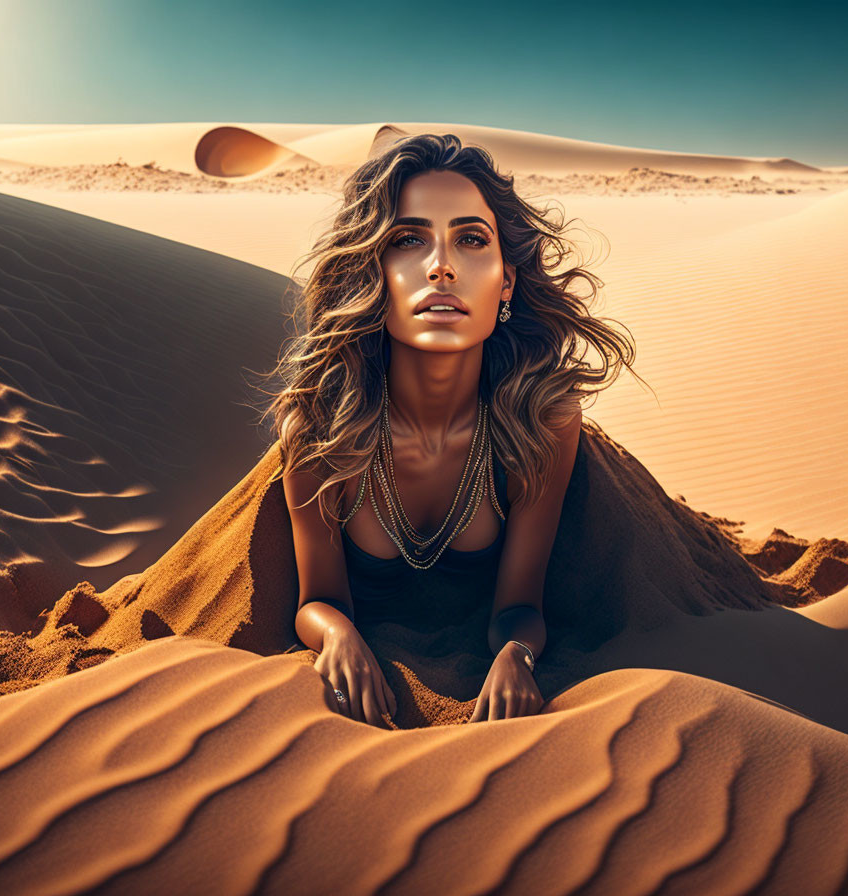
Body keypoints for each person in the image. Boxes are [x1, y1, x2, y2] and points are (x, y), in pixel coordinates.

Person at [260, 134, 643, 728]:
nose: (441, 265)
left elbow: (520, 605)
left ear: (506, 281)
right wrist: (337, 637)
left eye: (471, 239)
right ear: (373, 270)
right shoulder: (320, 427)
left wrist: (516, 656)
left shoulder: (541, 423)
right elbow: (318, 600)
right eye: (408, 239)